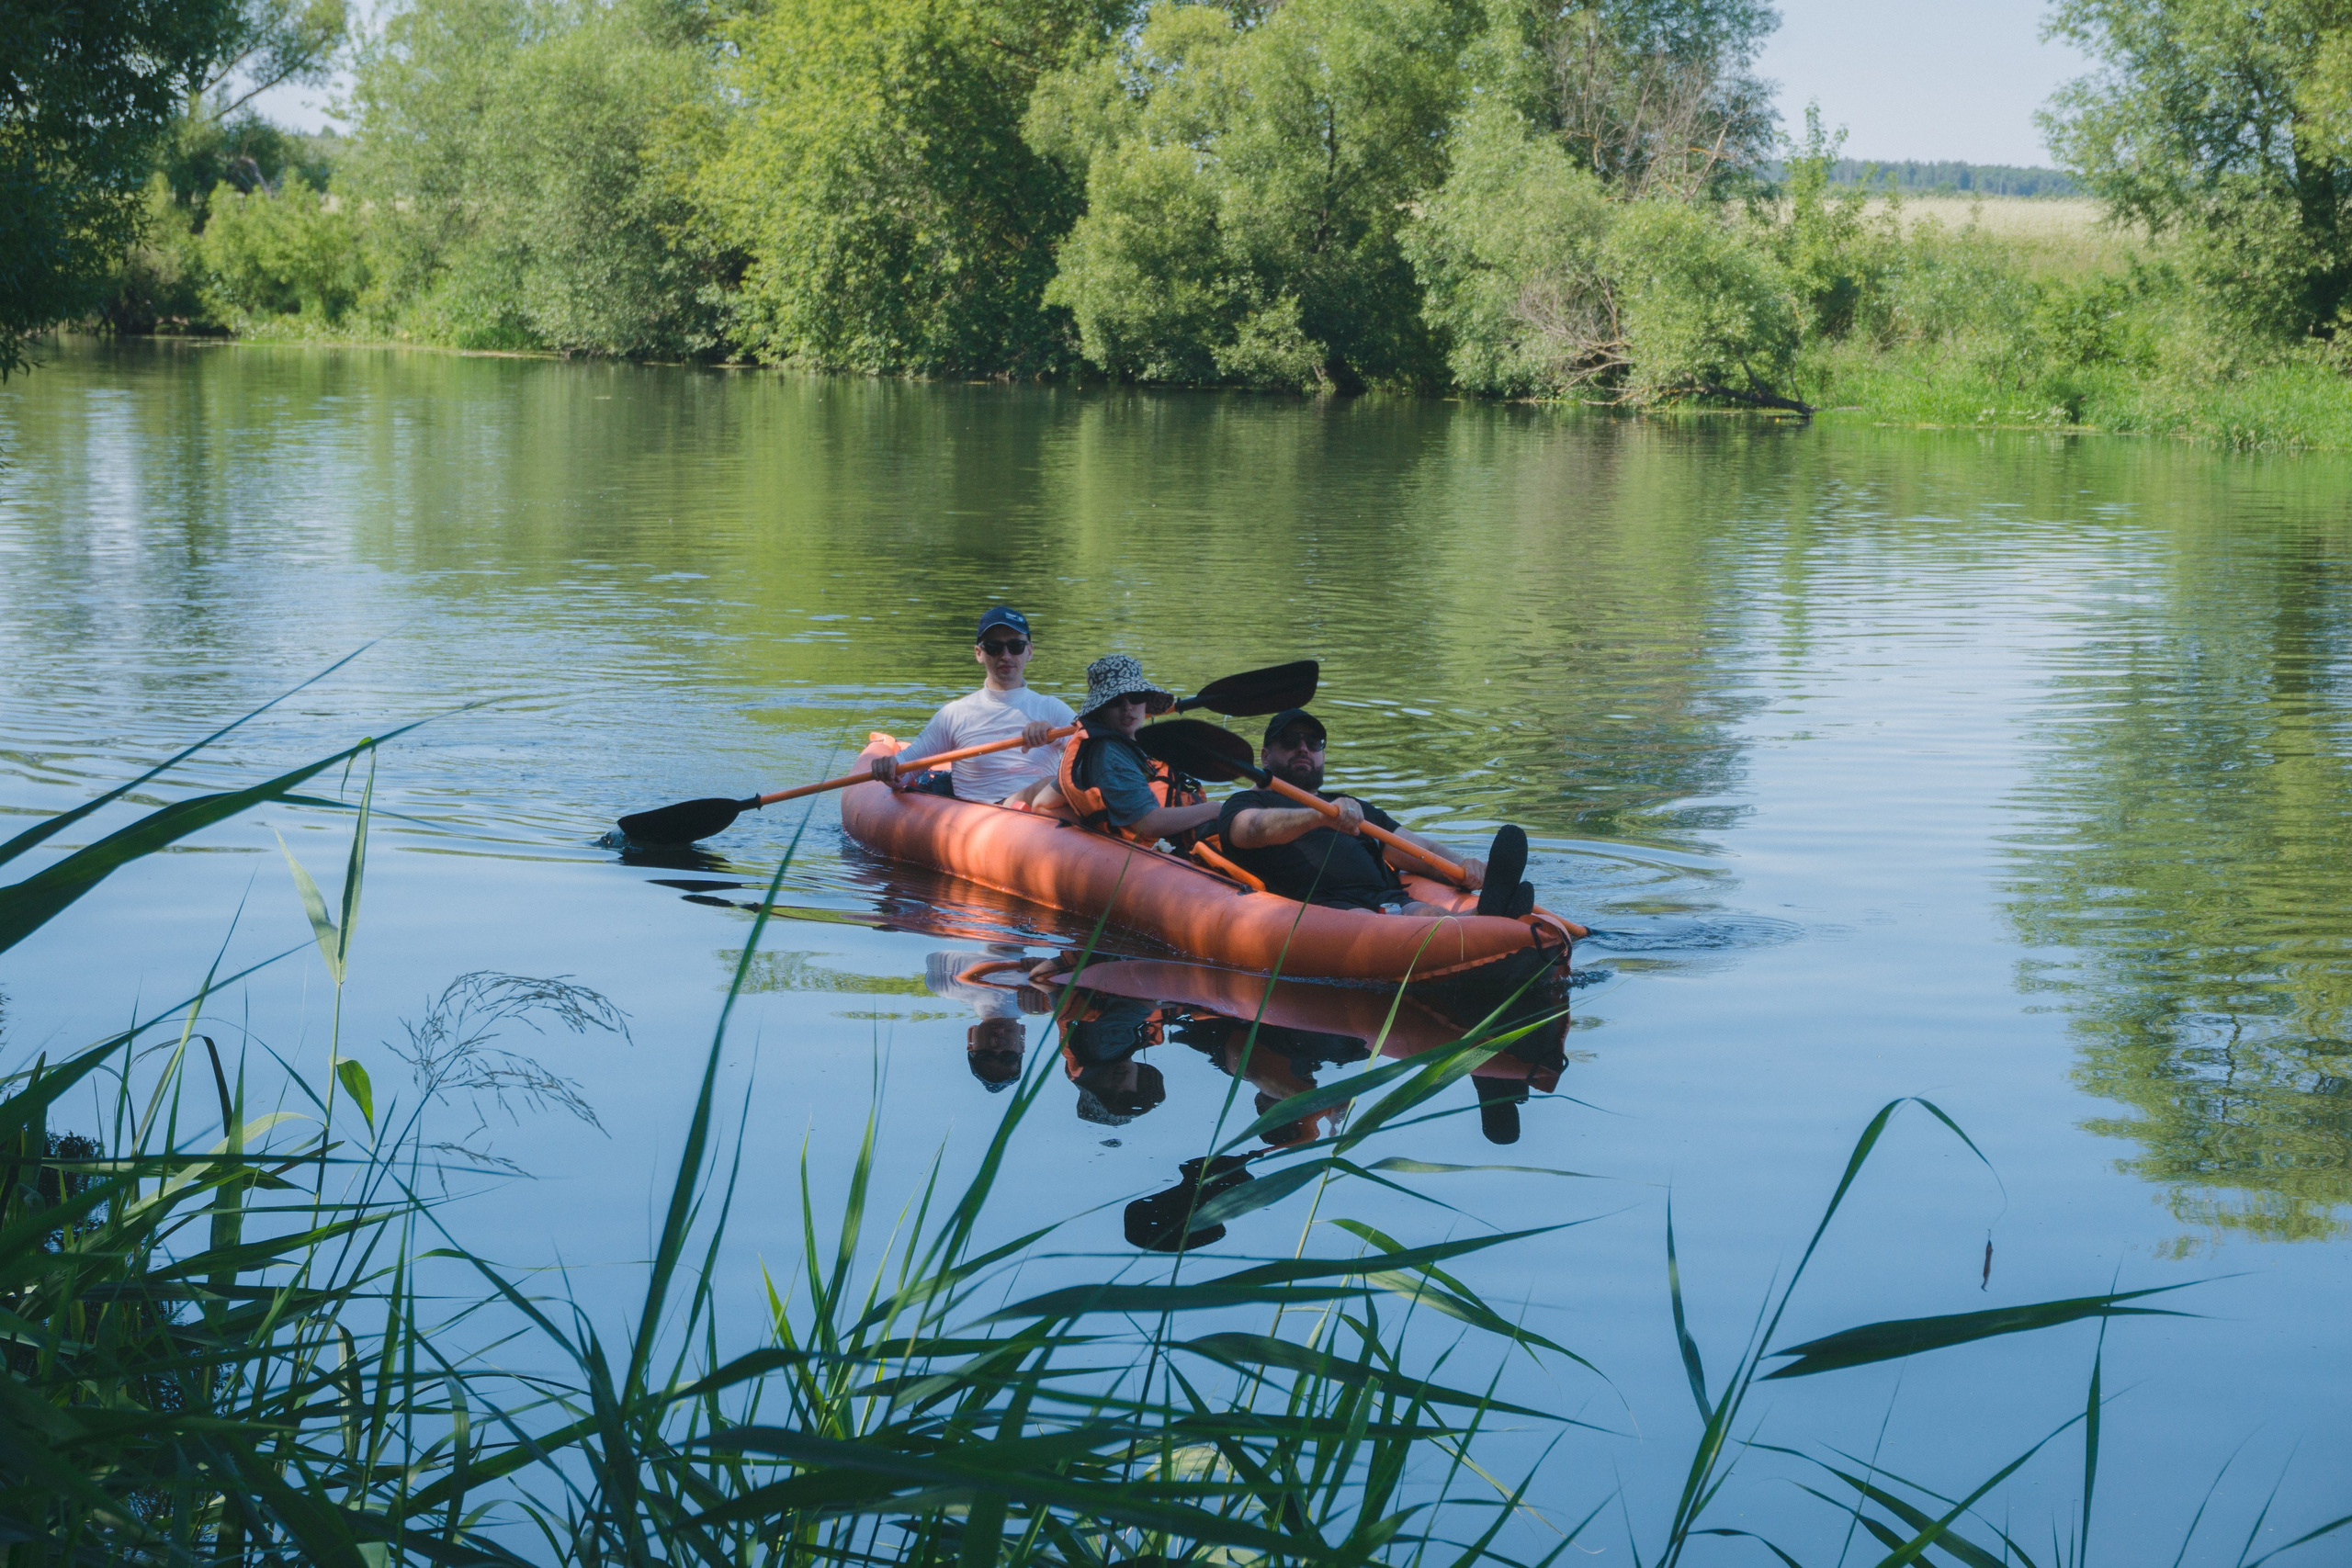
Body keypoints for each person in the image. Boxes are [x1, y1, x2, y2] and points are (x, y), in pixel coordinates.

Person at [1216, 708, 1535, 919]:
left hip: (1384, 897)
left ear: (1322, 754)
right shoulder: (1246, 802)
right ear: (1265, 756)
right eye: (1290, 741)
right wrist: (1319, 816)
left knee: (1426, 913)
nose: (1303, 748)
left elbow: (1417, 849)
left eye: (1313, 742)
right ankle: (1484, 928)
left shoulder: (1350, 805)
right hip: (1323, 906)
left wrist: (1462, 866)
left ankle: (1486, 917)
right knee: (1367, 919)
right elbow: (1252, 829)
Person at [1007, 655, 1225, 846]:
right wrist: (1215, 809)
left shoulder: (1123, 745)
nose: (1128, 707)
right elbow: (1148, 824)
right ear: (1100, 709)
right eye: (1115, 700)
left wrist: (1092, 828)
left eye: (1136, 697)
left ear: (1146, 702)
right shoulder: (1109, 753)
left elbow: (1044, 803)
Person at [872, 607, 1073, 802]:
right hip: (984, 811)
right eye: (994, 647)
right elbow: (904, 772)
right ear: (979, 653)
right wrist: (888, 768)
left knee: (1064, 784)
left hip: (1045, 811)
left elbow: (1089, 753)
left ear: (1029, 651)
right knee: (1050, 785)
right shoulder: (955, 714)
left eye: (1016, 646)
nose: (1006, 656)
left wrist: (1053, 735)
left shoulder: (1053, 709)